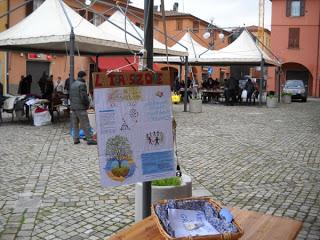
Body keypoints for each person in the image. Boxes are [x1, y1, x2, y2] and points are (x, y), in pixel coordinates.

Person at [70, 71, 97, 145]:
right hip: (80, 107)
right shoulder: (82, 84)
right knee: (85, 124)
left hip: (74, 107)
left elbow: (70, 96)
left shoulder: (73, 84)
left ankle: (76, 139)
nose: (86, 77)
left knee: (75, 124)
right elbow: (84, 97)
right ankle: (90, 139)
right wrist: (87, 105)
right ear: (83, 76)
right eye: (86, 76)